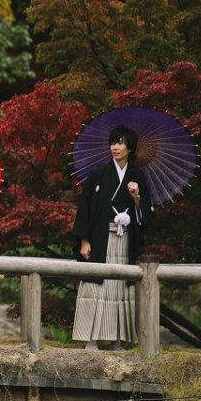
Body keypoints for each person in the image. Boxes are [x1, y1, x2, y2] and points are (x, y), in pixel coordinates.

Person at [71, 125, 152, 351]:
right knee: (96, 287)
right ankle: (92, 340)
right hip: (100, 239)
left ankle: (117, 339)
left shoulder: (137, 176)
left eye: (120, 143)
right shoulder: (98, 174)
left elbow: (146, 213)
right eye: (113, 143)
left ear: (130, 148)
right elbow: (85, 208)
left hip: (124, 240)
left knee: (119, 289)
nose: (115, 147)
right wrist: (84, 240)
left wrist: (136, 198)